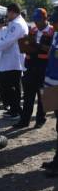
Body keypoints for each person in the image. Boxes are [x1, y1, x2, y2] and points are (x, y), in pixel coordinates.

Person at [0, 3, 29, 120]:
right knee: (8, 87)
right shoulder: (14, 23)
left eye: (8, 13)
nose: (7, 15)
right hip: (9, 61)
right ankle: (13, 110)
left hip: (13, 62)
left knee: (12, 88)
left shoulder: (17, 24)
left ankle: (16, 112)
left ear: (13, 12)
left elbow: (8, 41)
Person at [13, 8, 55, 129]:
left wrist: (37, 45)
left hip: (45, 66)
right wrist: (25, 44)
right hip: (31, 65)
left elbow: (51, 50)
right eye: (35, 20)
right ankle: (24, 120)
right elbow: (28, 45)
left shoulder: (53, 31)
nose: (36, 23)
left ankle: (40, 119)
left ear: (45, 19)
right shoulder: (33, 30)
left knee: (44, 95)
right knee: (28, 95)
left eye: (39, 20)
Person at [41, 10, 58, 177]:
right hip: (53, 86)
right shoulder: (57, 35)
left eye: (55, 22)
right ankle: (56, 160)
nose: (53, 25)